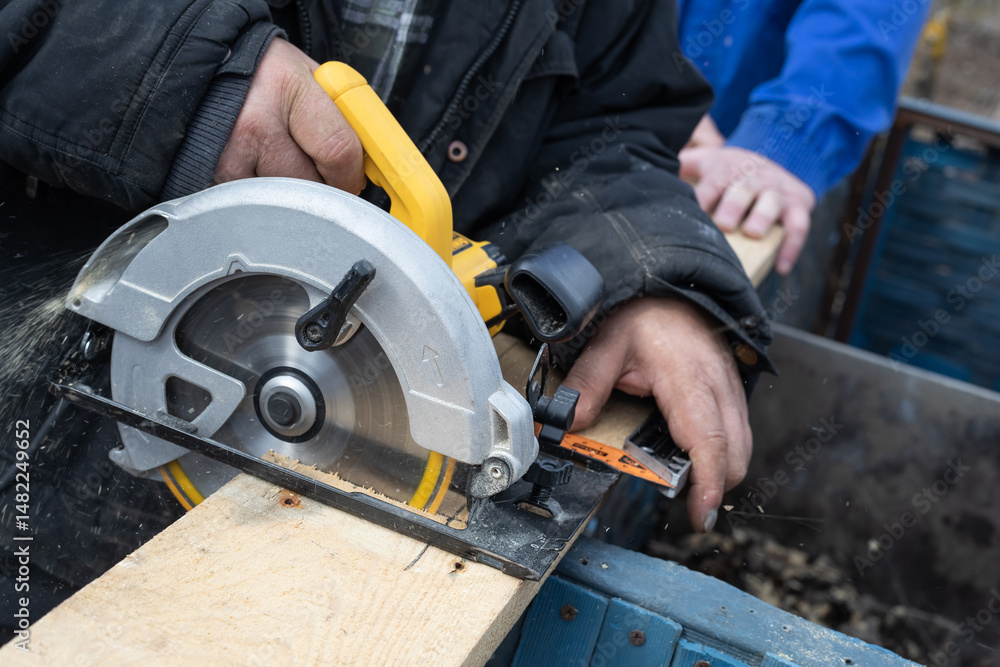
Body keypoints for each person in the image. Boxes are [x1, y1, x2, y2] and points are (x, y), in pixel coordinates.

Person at [0, 0, 771, 561]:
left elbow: (611, 124)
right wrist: (182, 72)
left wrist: (636, 267)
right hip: (46, 457)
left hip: (354, 493)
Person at [674, 0, 929, 274]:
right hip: (670, 155)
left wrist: (787, 140)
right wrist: (654, 92)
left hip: (774, 173)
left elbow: (868, 17)